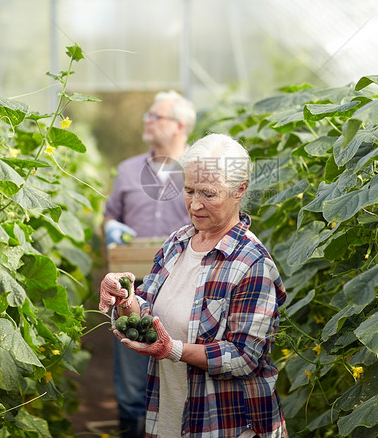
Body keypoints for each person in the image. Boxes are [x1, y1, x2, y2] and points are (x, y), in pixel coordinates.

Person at [100, 133, 288, 438]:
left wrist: (173, 350)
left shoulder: (252, 264)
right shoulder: (177, 243)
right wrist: (124, 296)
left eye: (209, 194)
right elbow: (145, 308)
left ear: (239, 190)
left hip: (226, 425)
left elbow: (243, 357)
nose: (195, 204)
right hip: (169, 416)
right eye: (189, 190)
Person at [101, 90, 196, 438]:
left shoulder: (197, 171)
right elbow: (111, 214)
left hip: (184, 287)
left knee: (178, 367)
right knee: (130, 375)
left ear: (180, 125)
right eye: (147, 115)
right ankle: (132, 428)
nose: (147, 121)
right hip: (132, 286)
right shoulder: (128, 170)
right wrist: (111, 226)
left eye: (155, 116)